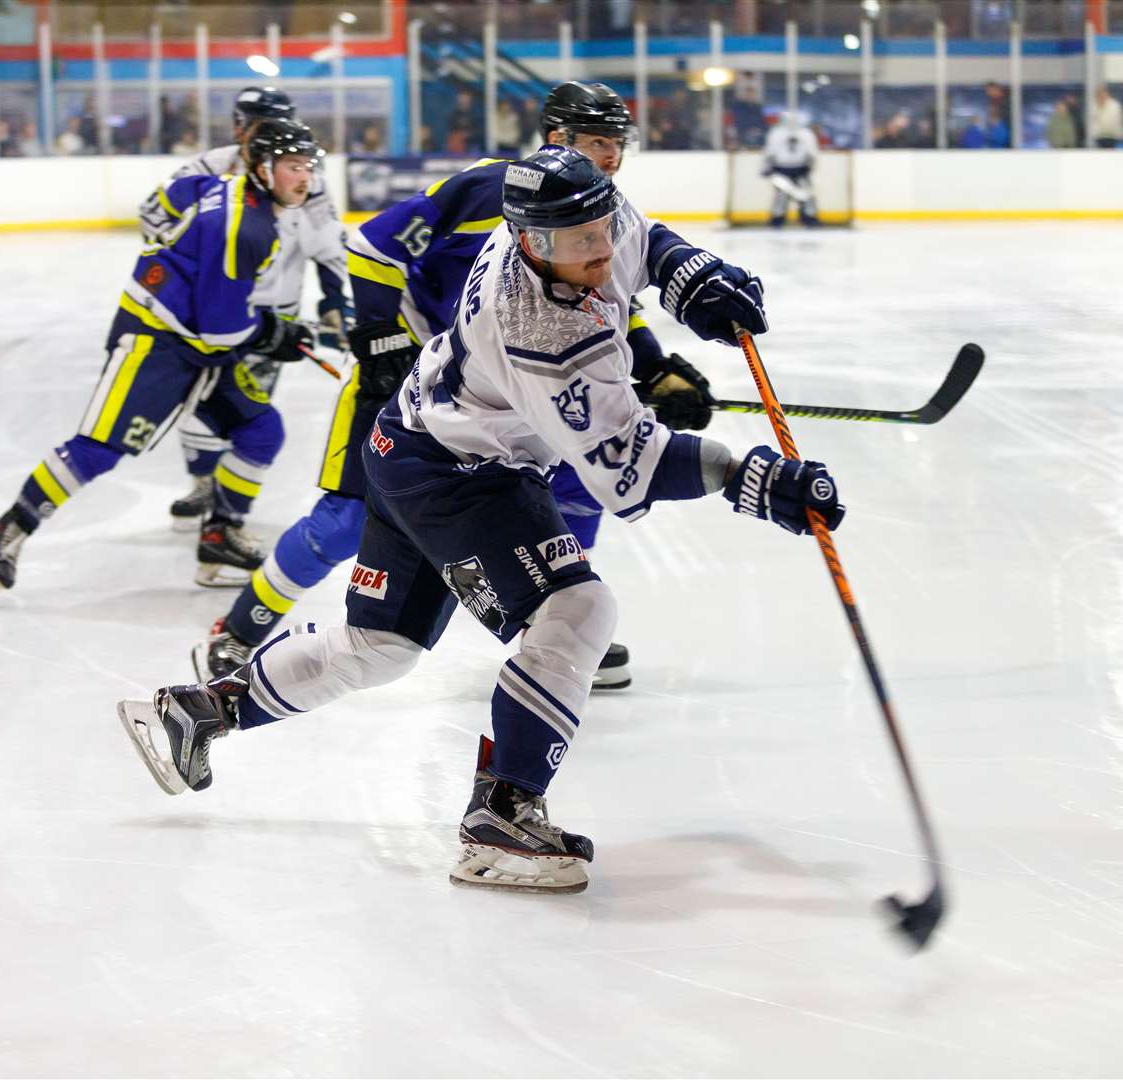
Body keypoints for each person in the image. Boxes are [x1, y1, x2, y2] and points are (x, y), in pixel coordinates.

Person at [118, 144, 842, 896]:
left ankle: (201, 710)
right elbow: (631, 468)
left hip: (408, 444)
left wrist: (689, 274)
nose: (598, 251)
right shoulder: (543, 335)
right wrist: (749, 476)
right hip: (461, 476)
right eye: (578, 244)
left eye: (601, 228)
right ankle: (502, 813)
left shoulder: (567, 217)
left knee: (379, 647)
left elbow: (640, 235)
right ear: (531, 242)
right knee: (580, 607)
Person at [192, 81, 717, 694]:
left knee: (574, 482)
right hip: (408, 382)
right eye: (599, 143)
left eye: (618, 145)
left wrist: (652, 365)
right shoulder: (485, 186)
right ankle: (239, 630)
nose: (612, 158)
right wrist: (381, 335)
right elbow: (370, 248)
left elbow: (604, 297)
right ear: (557, 139)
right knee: (344, 520)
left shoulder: (594, 206)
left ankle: (553, 625)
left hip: (497, 396)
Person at [0, 120, 325, 596]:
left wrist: (177, 263)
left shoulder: (222, 187)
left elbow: (158, 209)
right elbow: (222, 330)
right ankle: (6, 530)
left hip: (196, 340)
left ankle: (219, 538)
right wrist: (272, 332)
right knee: (101, 447)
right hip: (156, 341)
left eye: (308, 167)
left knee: (261, 430)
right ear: (262, 167)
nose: (305, 178)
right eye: (293, 167)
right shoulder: (248, 227)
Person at [139, 87, 352, 552]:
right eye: (253, 122)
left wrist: (335, 299)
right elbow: (153, 218)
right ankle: (206, 487)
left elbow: (327, 242)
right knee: (196, 408)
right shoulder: (208, 168)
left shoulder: (305, 177)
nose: (261, 131)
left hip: (269, 323)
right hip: (203, 317)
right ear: (239, 126)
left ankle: (221, 512)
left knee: (242, 414)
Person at [762, 112, 820, 227]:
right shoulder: (806, 133)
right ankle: (809, 218)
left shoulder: (776, 133)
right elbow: (812, 152)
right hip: (799, 168)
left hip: (783, 168)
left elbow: (770, 152)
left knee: (782, 195)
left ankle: (778, 219)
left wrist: (767, 167)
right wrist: (811, 165)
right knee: (802, 194)